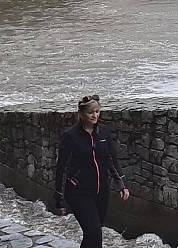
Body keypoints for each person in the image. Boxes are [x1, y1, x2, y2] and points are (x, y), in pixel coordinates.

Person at [54, 95, 129, 248]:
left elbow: (111, 160)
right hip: (78, 192)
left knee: (94, 235)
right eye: (91, 112)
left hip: (101, 191)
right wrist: (59, 199)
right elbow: (62, 168)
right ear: (82, 114)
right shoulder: (71, 136)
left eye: (97, 111)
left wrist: (122, 184)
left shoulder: (104, 133)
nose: (95, 115)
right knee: (94, 232)